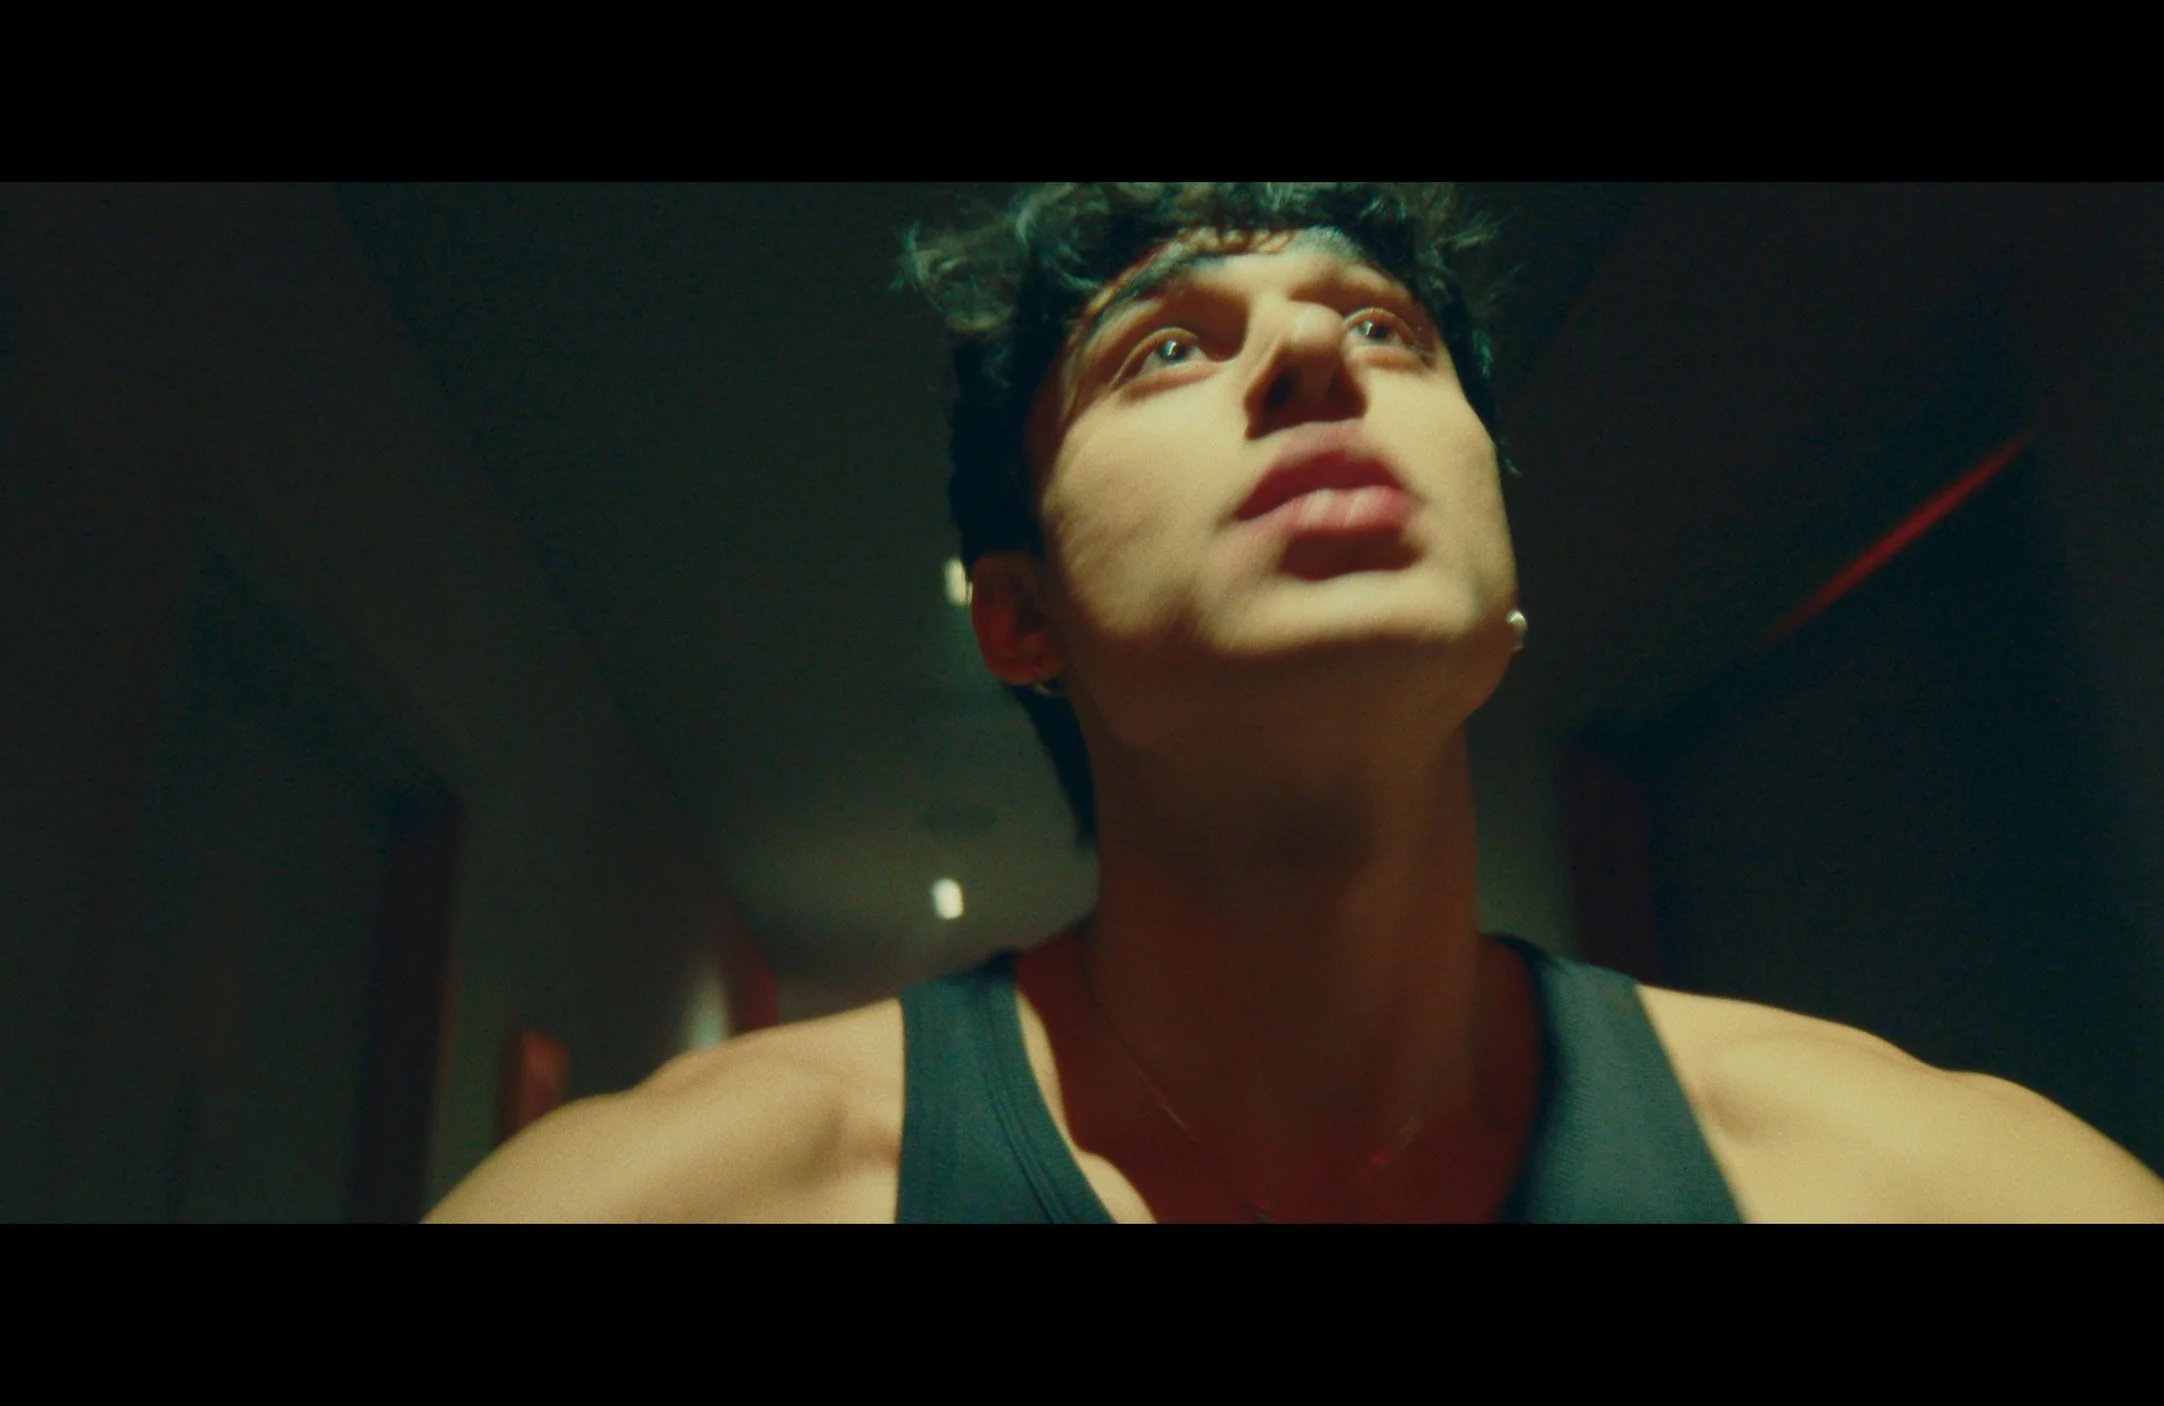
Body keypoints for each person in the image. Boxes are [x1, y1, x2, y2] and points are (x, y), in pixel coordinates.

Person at [427, 183, 2164, 1222]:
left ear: (1505, 575)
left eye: (1388, 329)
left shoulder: (1900, 1177)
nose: (1315, 359)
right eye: (1162, 348)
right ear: (1017, 618)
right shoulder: (708, 1194)